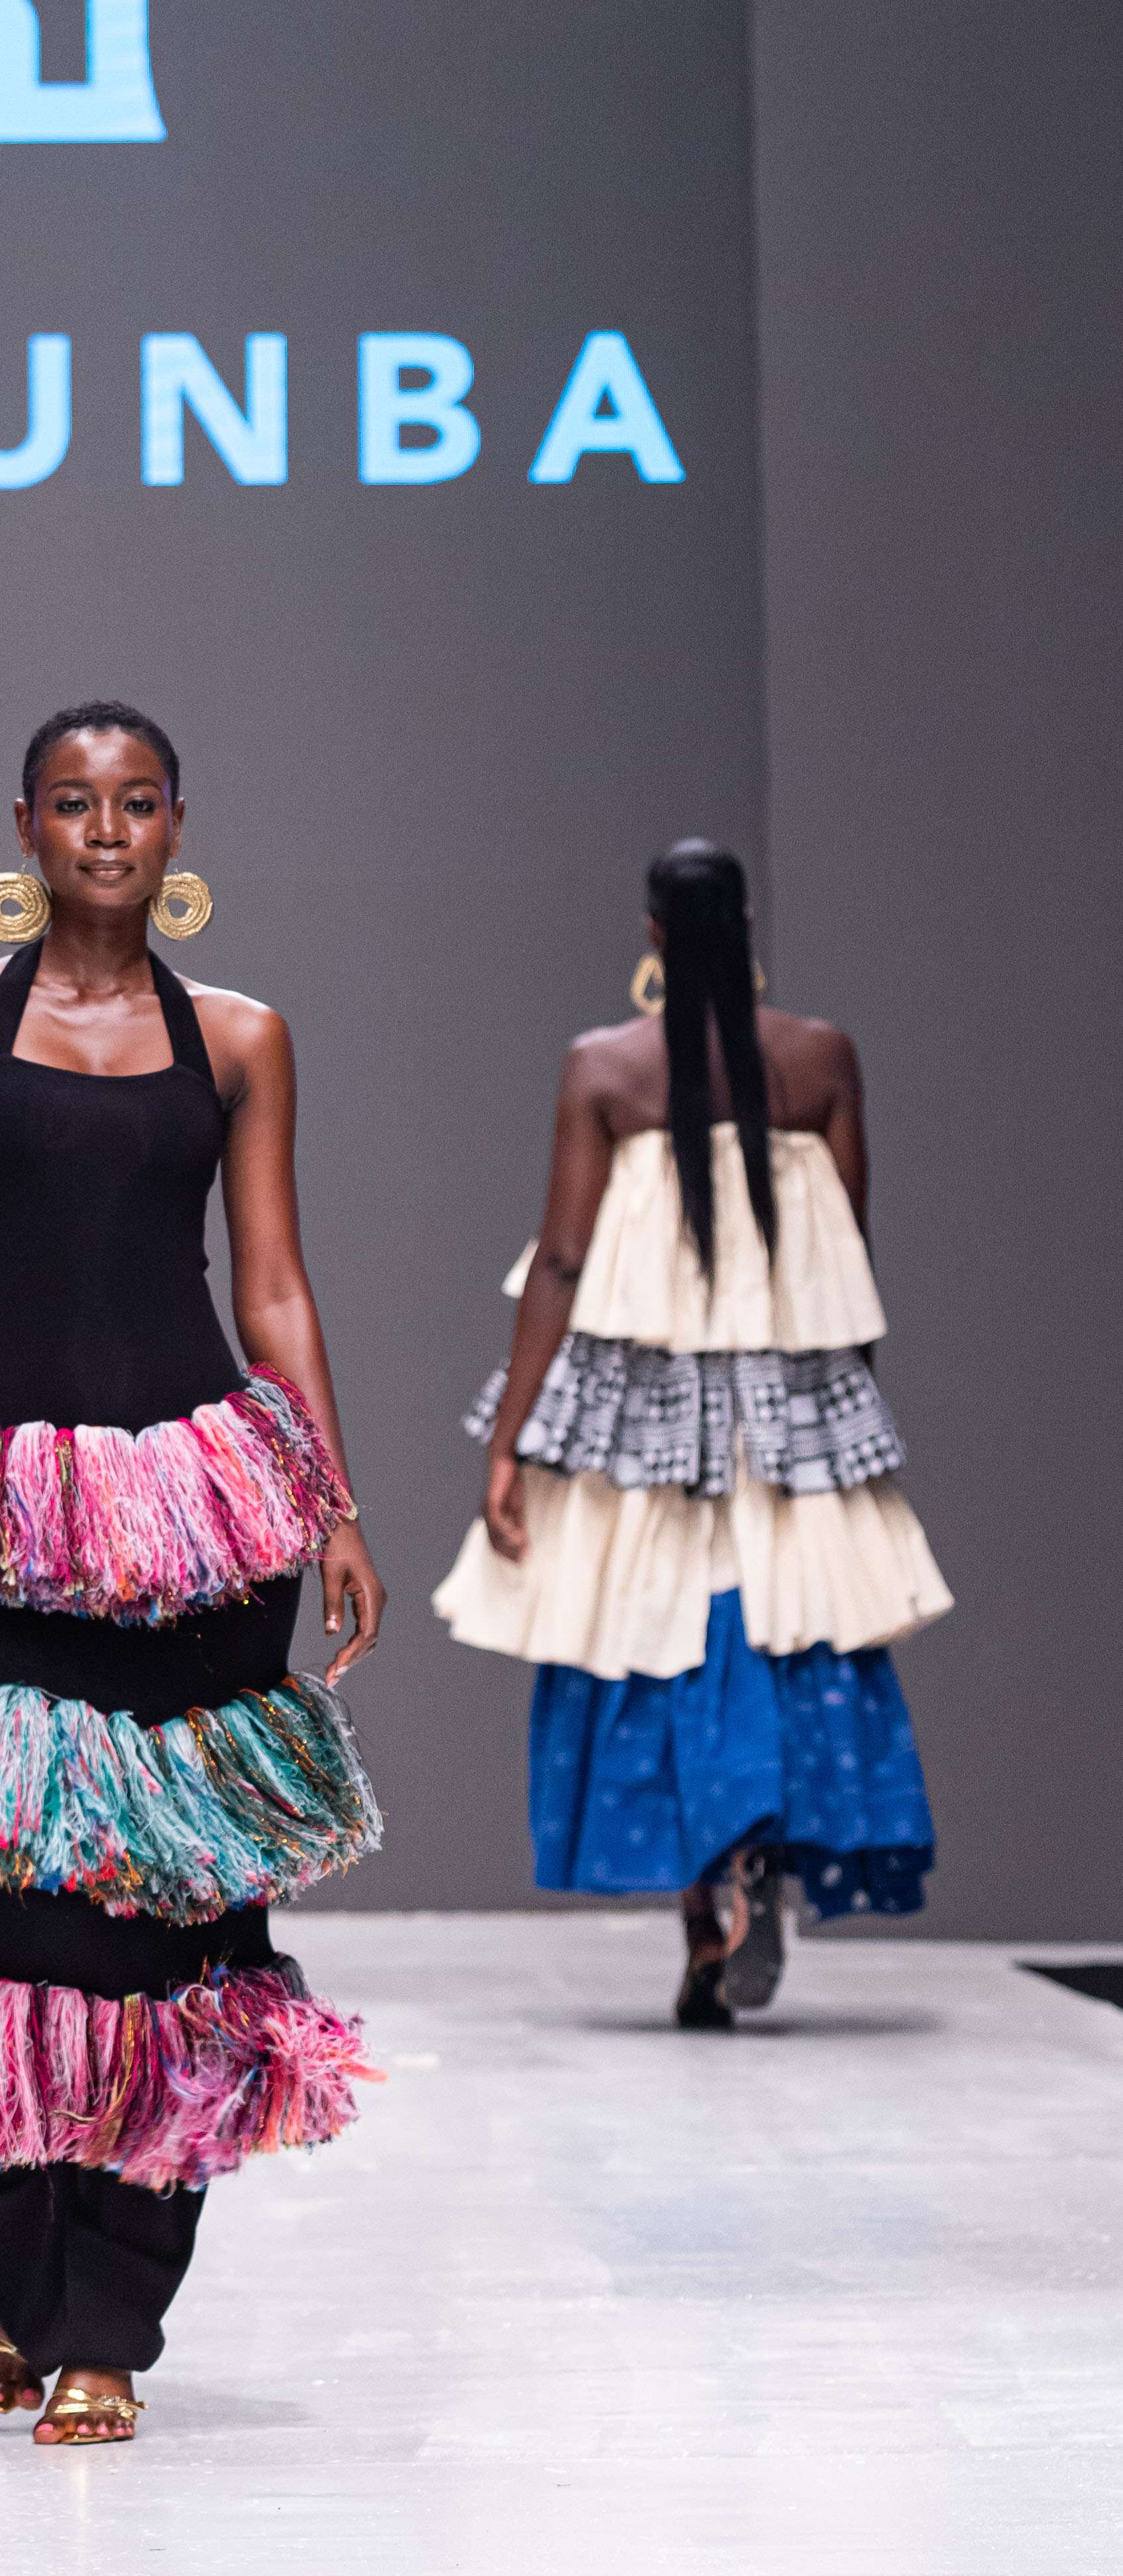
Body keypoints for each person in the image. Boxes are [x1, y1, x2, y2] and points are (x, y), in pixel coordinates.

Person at [0, 701, 386, 2445]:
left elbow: (274, 1281)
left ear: (176, 826)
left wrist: (336, 1504)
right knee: (32, 1908)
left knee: (179, 1925)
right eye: (73, 802)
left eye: (135, 802)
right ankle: (16, 2263)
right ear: (23, 824)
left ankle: (109, 2328)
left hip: (211, 1520)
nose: (104, 829)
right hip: (11, 1517)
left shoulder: (241, 1035)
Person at [434, 840, 950, 2027]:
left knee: (646, 1627)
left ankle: (703, 1921)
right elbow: (848, 1251)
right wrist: (845, 1410)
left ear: (654, 933)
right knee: (791, 1623)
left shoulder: (607, 1067)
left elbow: (563, 1262)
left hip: (637, 1407)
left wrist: (510, 1440)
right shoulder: (820, 1058)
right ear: (747, 925)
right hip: (789, 1405)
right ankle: (760, 1853)